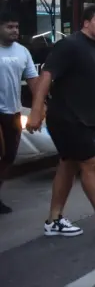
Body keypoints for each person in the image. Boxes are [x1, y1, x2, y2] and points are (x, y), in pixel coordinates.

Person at [26, 3, 95, 237]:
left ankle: (54, 220)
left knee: (68, 166)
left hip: (88, 118)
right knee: (92, 162)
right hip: (66, 117)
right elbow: (45, 77)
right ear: (86, 23)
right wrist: (36, 111)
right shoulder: (69, 46)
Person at [0, 11, 39, 214]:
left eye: (16, 27)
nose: (14, 31)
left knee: (9, 157)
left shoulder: (22, 51)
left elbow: (33, 80)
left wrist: (40, 106)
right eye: (9, 27)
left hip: (12, 112)